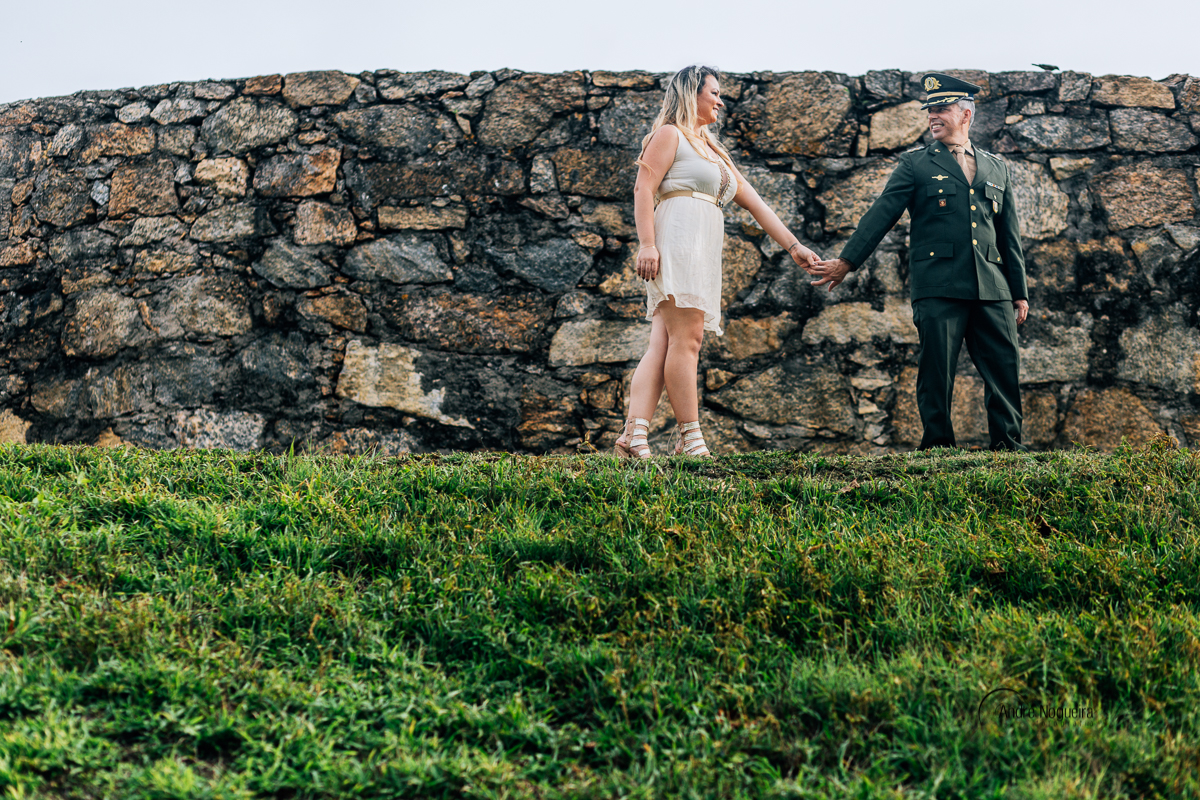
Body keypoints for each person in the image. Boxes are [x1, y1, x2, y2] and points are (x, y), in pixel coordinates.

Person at [810, 73, 1030, 452]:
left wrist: (1019, 293)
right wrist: (847, 261)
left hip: (993, 285)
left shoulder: (996, 167)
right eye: (929, 111)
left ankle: (1008, 445)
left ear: (966, 114)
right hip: (939, 283)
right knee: (936, 371)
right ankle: (938, 446)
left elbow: (1008, 235)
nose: (933, 117)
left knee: (1004, 369)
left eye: (941, 109)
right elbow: (882, 214)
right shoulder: (915, 165)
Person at [613, 65, 820, 459]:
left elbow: (754, 201)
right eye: (715, 93)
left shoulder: (711, 148)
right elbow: (643, 187)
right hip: (676, 239)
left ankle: (634, 435)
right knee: (688, 340)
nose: (721, 101)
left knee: (665, 342)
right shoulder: (670, 134)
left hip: (701, 245)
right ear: (693, 93)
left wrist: (795, 248)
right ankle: (691, 439)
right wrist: (647, 245)